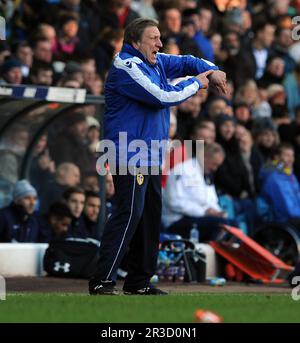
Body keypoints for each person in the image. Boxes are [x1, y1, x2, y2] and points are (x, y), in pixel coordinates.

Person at [89, 18, 227, 295]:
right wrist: (198, 83)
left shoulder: (156, 61)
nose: (160, 43)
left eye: (160, 38)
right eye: (153, 38)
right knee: (129, 214)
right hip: (128, 152)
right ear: (135, 42)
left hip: (151, 154)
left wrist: (212, 70)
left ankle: (139, 282)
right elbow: (162, 95)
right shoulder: (126, 66)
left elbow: (188, 60)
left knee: (149, 217)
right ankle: (102, 279)